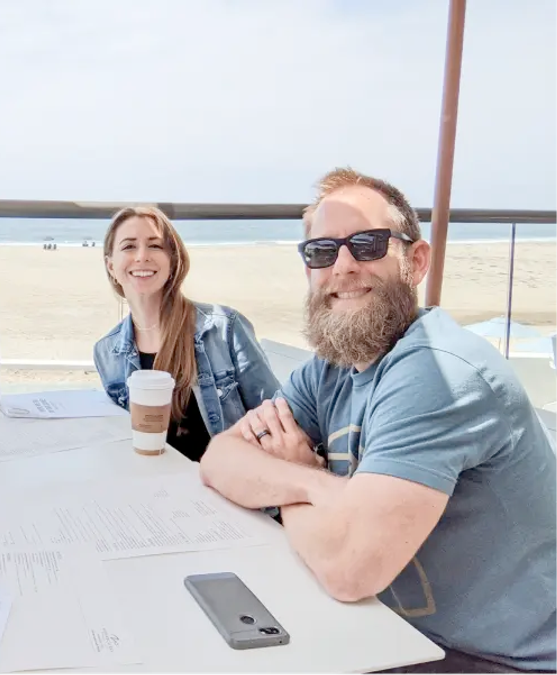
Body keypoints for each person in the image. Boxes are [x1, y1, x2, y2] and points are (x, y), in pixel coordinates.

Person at [199, 168, 557, 674]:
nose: (342, 266)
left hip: (498, 658)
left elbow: (349, 568)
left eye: (366, 244)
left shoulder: (439, 372)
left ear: (415, 261)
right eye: (321, 251)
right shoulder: (331, 368)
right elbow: (221, 458)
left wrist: (286, 485)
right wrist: (317, 484)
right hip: (395, 630)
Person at [93, 205, 280, 462]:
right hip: (150, 486)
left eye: (155, 246)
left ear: (173, 259)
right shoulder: (106, 351)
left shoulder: (224, 328)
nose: (142, 256)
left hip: (227, 487)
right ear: (111, 265)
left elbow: (273, 419)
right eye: (128, 246)